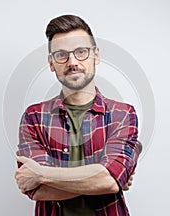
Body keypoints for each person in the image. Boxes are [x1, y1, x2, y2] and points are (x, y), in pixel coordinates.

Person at [15, 14, 142, 216]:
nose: (72, 62)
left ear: (96, 55)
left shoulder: (122, 114)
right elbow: (38, 190)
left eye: (81, 52)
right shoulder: (34, 117)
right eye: (61, 55)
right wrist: (100, 177)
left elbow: (108, 181)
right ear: (51, 63)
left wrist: (41, 173)